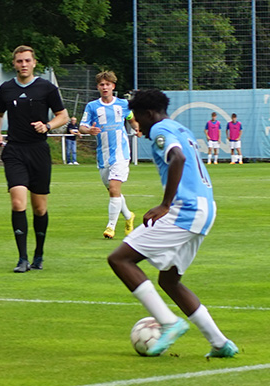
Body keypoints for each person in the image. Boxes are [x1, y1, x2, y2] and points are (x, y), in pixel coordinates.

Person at [107, 89, 238, 358]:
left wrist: (166, 204)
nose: (136, 124)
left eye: (136, 118)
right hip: (205, 208)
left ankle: (168, 322)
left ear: (148, 114)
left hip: (185, 210)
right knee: (169, 280)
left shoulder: (158, 130)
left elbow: (177, 158)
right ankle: (220, 343)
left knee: (120, 259)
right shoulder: (180, 128)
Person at [0, 45, 69, 273]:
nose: (23, 65)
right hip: (15, 151)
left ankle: (39, 254)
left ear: (34, 63)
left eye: (27, 60)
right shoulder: (4, 90)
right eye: (19, 61)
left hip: (38, 151)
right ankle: (22, 258)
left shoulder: (47, 88)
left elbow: (62, 116)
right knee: (18, 202)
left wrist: (47, 126)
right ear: (14, 64)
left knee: (40, 208)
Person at [79, 71, 138, 240]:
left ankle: (111, 227)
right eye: (101, 85)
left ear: (113, 86)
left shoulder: (123, 104)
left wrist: (137, 128)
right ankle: (128, 216)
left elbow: (131, 119)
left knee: (113, 189)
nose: (105, 87)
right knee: (114, 191)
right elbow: (82, 126)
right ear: (98, 87)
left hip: (121, 154)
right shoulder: (92, 106)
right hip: (103, 156)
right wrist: (89, 130)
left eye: (108, 84)